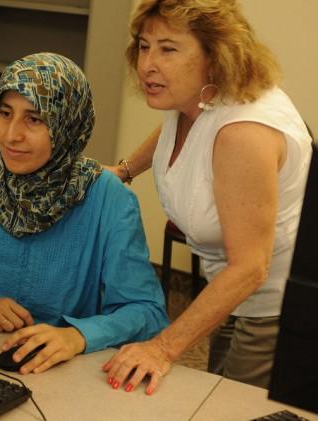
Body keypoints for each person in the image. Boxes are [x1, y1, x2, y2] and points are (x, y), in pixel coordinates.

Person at [103, 0, 312, 394]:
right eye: (144, 46)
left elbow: (251, 268)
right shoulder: (191, 99)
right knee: (211, 386)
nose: (147, 63)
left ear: (216, 55)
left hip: (274, 308)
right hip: (231, 289)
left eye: (168, 48)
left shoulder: (243, 135)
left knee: (232, 403)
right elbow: (175, 135)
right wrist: (126, 169)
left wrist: (161, 348)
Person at [0, 52, 168, 375]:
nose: (11, 135)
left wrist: (77, 336)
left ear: (66, 123)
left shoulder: (109, 198)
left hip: (66, 371)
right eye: (5, 113)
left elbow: (146, 311)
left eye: (34, 119)